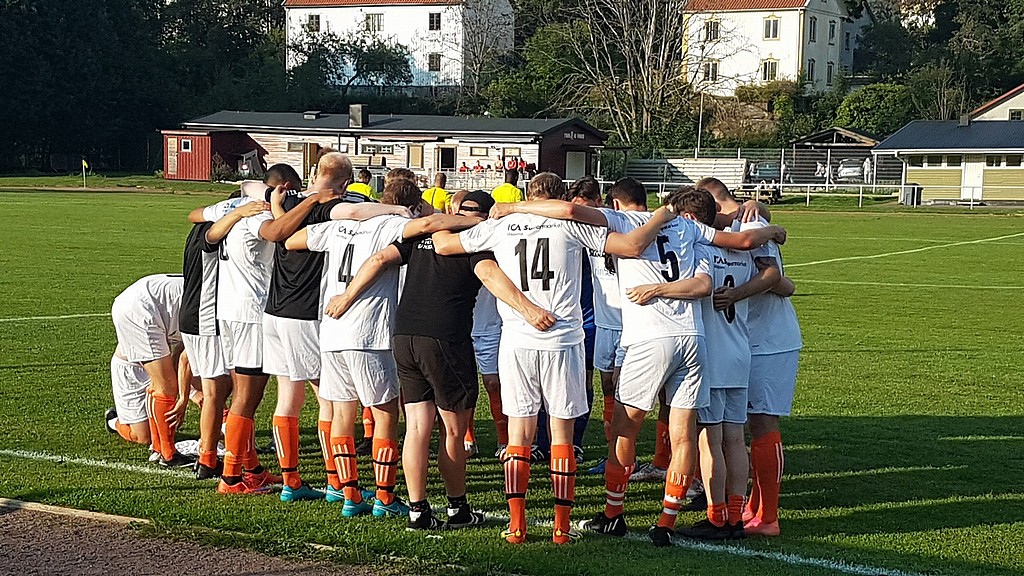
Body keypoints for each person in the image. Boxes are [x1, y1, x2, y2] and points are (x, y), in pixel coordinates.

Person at [492, 178, 787, 547]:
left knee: (625, 429)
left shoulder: (623, 221)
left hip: (648, 338)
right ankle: (666, 522)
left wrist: (514, 207)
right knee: (685, 435)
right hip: (693, 339)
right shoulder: (690, 228)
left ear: (617, 204)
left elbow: (567, 210)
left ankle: (613, 514)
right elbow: (741, 243)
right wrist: (772, 228)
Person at [433, 173, 668, 545]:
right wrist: (662, 216)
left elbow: (444, 245)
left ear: (529, 194)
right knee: (561, 434)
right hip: (563, 339)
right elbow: (628, 246)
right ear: (561, 198)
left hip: (517, 338)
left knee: (519, 434)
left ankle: (516, 525)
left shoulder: (501, 226)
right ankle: (561, 526)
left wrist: (450, 217)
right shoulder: (570, 226)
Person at [322, 189, 553, 531]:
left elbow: (378, 259)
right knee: (453, 430)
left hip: (404, 334)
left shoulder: (421, 235)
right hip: (445, 337)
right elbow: (489, 274)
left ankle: (418, 510)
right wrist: (529, 309)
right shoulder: (474, 241)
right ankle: (457, 508)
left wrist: (346, 297)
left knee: (417, 427)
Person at [286, 178, 481, 518]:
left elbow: (292, 240)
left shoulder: (341, 225)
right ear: (411, 205)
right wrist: (474, 221)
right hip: (367, 330)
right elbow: (426, 228)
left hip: (331, 329)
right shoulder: (394, 224)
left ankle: (348, 493)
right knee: (385, 414)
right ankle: (385, 497)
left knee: (342, 414)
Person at [263, 159, 412, 503]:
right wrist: (394, 209)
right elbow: (356, 214)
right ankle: (338, 483)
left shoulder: (292, 201)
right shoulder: (334, 209)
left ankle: (293, 480)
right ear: (345, 185)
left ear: (314, 174)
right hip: (310, 312)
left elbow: (279, 236)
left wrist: (278, 203)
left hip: (275, 309)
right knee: (330, 403)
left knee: (289, 398)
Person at [710, 185, 802, 538]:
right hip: (751, 339)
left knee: (764, 423)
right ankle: (755, 506)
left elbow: (773, 277)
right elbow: (783, 283)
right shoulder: (743, 225)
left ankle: (769, 517)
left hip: (771, 341)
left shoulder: (750, 224)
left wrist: (735, 294)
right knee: (751, 424)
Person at [179, 195, 271, 479]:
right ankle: (209, 459)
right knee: (219, 393)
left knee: (231, 390)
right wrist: (240, 214)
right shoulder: (215, 230)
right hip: (205, 315)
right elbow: (211, 234)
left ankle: (244, 460)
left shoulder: (206, 221)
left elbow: (194, 213)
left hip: (198, 313)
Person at [109, 274, 191, 467]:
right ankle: (167, 454)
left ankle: (159, 447)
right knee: (166, 387)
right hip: (141, 314)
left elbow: (182, 357)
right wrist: (184, 398)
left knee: (165, 388)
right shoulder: (221, 308)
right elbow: (186, 360)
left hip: (144, 307)